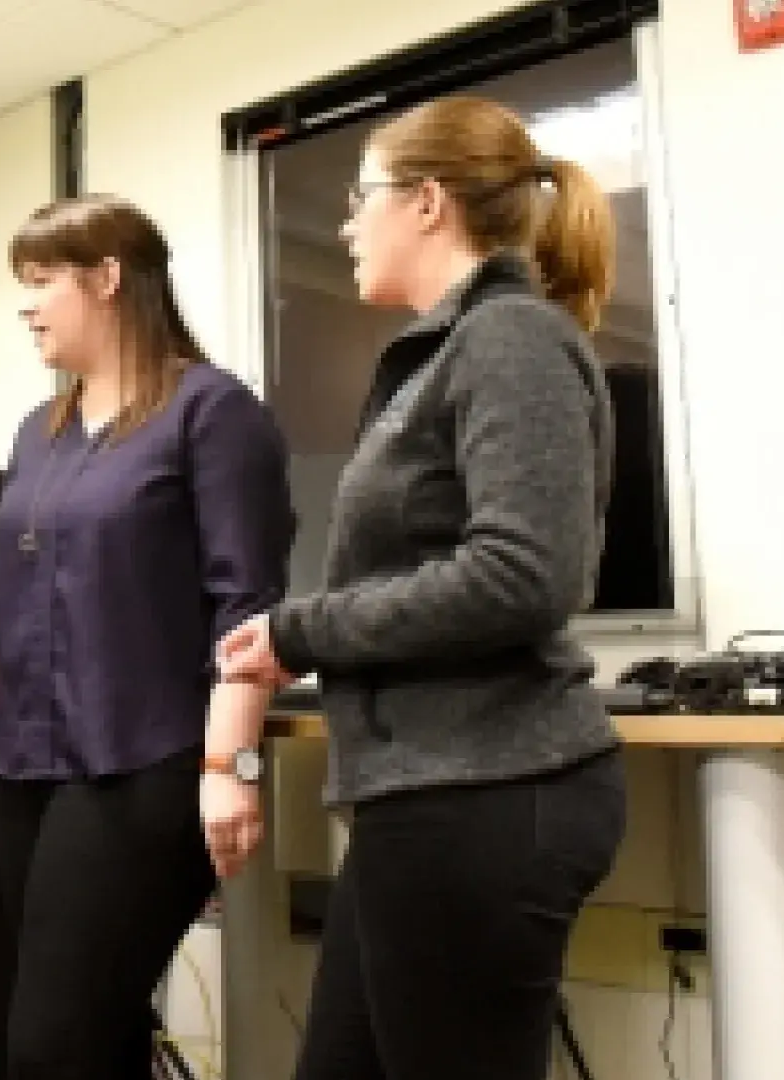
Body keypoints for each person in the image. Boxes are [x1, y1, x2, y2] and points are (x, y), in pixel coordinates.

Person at [219, 94, 627, 1080]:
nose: (347, 225)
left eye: (360, 198)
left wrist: (303, 631)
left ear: (428, 203)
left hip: (489, 792)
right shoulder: (444, 354)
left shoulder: (510, 338)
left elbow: (524, 574)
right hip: (429, 794)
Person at [0, 194, 296, 1079]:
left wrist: (230, 768)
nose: (26, 307)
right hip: (22, 773)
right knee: (102, 1033)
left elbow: (246, 612)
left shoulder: (213, 412)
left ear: (107, 279)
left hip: (145, 769)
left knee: (51, 1049)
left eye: (41, 281)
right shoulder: (40, 431)